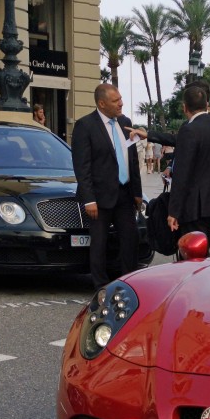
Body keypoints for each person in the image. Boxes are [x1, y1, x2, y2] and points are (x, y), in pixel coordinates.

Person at [133, 83, 210, 241]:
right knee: (203, 246)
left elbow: (182, 174)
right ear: (206, 105)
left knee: (190, 252)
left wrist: (173, 212)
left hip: (194, 205)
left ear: (184, 107)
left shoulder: (189, 130)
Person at [71, 83, 143, 288]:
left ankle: (130, 283)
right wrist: (89, 199)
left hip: (125, 193)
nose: (121, 103)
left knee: (130, 239)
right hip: (99, 197)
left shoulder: (125, 122)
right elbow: (81, 165)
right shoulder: (85, 125)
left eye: (120, 99)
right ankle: (100, 286)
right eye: (115, 100)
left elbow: (133, 160)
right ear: (102, 104)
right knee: (99, 243)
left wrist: (137, 192)